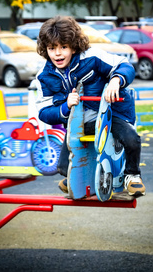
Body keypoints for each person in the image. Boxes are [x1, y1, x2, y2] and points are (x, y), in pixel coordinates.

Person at [35, 16, 145, 197]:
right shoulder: (44, 76)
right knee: (63, 166)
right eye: (52, 48)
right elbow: (44, 111)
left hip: (110, 114)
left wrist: (116, 81)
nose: (58, 54)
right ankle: (78, 175)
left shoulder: (91, 57)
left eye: (63, 47)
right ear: (45, 49)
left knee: (131, 139)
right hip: (79, 122)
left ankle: (132, 176)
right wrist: (65, 107)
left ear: (73, 45)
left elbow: (124, 65)